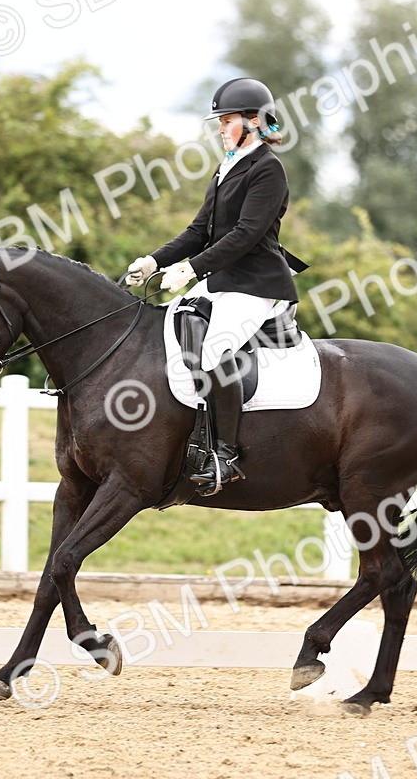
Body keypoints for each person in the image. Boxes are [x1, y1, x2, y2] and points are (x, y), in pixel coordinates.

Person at [125, 77, 306, 492]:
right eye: (220, 122)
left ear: (254, 122)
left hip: (257, 284)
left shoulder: (268, 170)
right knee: (174, 322)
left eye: (227, 121)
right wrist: (154, 260)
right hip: (223, 279)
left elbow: (245, 235)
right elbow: (197, 231)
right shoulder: (226, 168)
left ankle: (226, 455)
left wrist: (189, 270)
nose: (221, 129)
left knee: (216, 348)